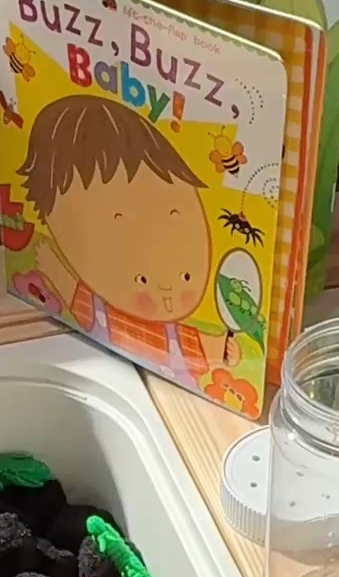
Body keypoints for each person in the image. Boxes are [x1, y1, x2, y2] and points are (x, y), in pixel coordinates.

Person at [19, 94, 238, 383]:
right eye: (142, 281)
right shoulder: (95, 309)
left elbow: (201, 346)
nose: (168, 294)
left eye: (186, 276)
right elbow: (71, 292)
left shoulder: (178, 334)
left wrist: (223, 347)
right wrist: (52, 268)